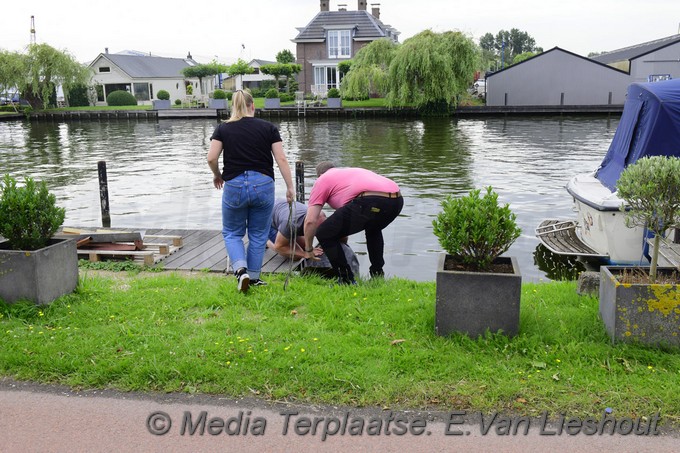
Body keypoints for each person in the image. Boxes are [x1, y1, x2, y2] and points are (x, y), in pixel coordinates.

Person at [207, 90, 294, 293]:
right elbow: (281, 159)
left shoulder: (223, 129)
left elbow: (211, 158)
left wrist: (217, 175)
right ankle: (253, 277)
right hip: (263, 184)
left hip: (235, 185)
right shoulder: (268, 128)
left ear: (234, 106)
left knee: (232, 232)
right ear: (252, 105)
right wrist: (290, 187)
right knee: (259, 234)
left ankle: (240, 271)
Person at [302, 162, 403, 284]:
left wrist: (308, 249)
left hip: (371, 200)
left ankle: (346, 280)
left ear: (320, 175)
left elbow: (310, 221)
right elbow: (344, 223)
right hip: (396, 201)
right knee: (373, 229)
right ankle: (377, 275)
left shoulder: (322, 179)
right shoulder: (349, 173)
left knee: (324, 232)